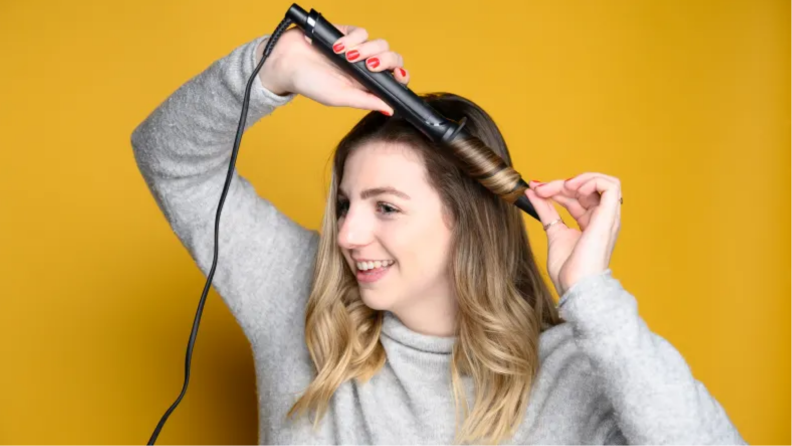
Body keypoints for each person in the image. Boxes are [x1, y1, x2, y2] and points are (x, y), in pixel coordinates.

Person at [130, 24, 745, 445]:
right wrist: (274, 66)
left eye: (386, 207)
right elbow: (171, 160)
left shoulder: (571, 374)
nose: (347, 234)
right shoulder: (302, 305)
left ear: (467, 221)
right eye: (345, 203)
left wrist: (594, 294)